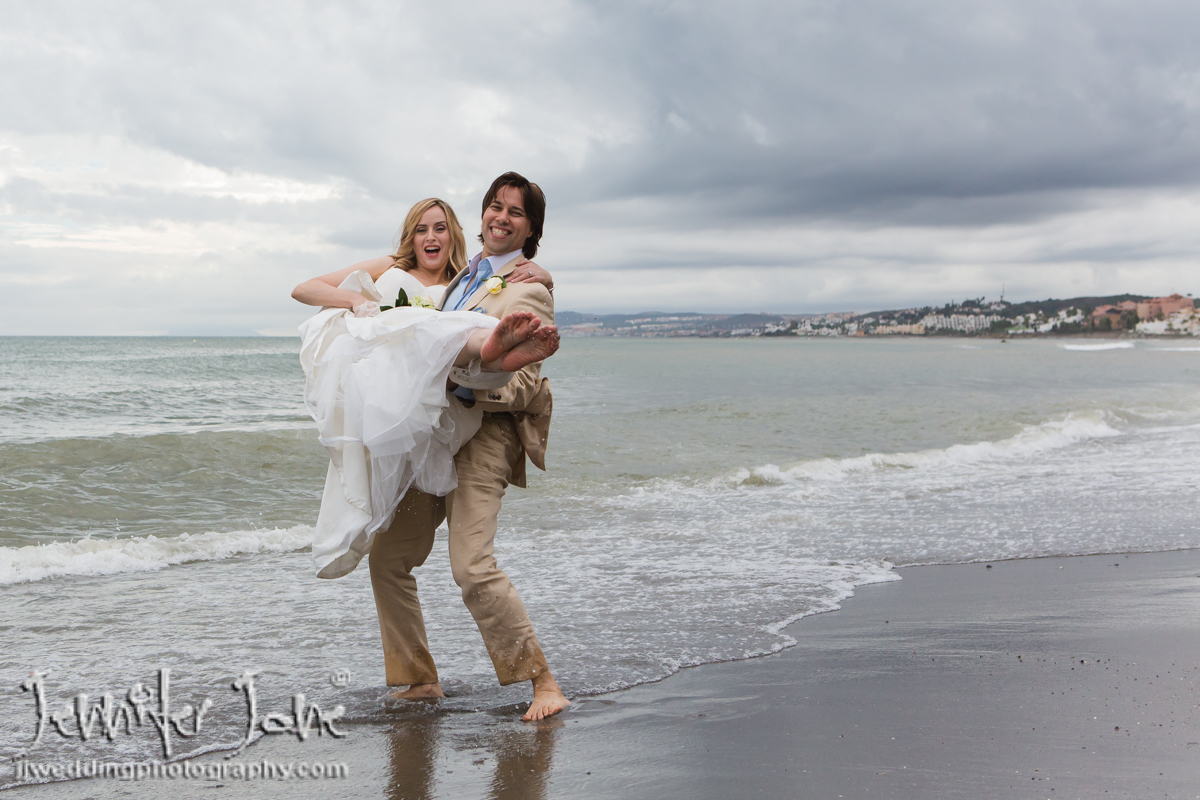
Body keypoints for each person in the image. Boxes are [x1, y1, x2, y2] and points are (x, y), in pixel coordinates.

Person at [367, 173, 570, 721]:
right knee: (388, 557)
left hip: (486, 435)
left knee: (471, 567)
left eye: (516, 213)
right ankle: (417, 680)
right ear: (481, 215)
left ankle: (543, 682)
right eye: (494, 207)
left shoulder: (529, 289)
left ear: (531, 229)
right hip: (435, 435)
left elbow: (527, 380)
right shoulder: (461, 277)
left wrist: (467, 377)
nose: (501, 218)